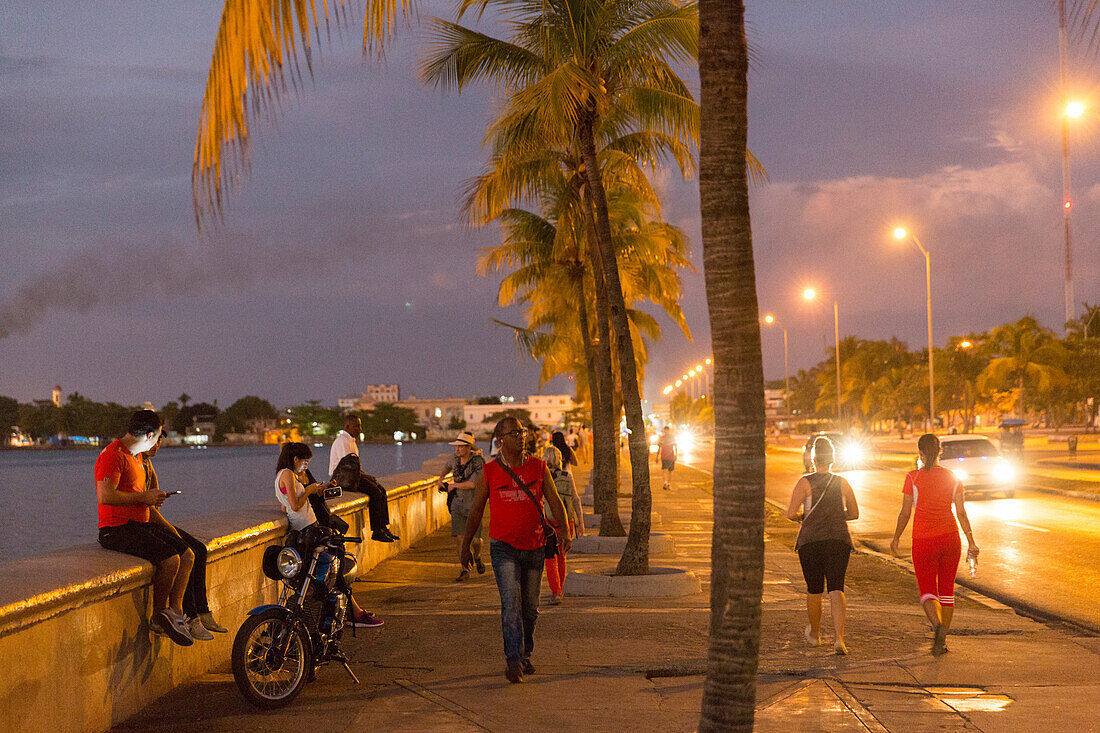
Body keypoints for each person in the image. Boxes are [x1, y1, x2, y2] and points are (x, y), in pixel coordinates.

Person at [461, 417, 571, 683]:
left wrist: (565, 530)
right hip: (503, 548)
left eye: (522, 431)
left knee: (530, 609)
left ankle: (525, 654)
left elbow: (555, 501)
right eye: (514, 433)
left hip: (535, 546)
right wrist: (466, 546)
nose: (521, 436)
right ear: (500, 441)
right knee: (511, 604)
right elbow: (476, 512)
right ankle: (513, 660)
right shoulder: (489, 472)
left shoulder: (539, 467)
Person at [95, 409, 194, 646]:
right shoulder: (113, 455)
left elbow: (139, 493)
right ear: (149, 434)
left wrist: (151, 497)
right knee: (171, 560)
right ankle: (160, 615)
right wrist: (143, 498)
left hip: (139, 523)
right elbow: (105, 496)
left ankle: (175, 611)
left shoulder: (137, 456)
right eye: (157, 436)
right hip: (116, 528)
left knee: (187, 554)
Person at [890, 433, 980, 656]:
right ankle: (943, 641)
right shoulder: (953, 478)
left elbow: (904, 512)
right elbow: (960, 512)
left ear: (920, 453)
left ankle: (937, 626)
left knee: (928, 592)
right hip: (950, 539)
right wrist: (971, 541)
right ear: (940, 451)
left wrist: (896, 537)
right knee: (947, 592)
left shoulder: (912, 478)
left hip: (923, 542)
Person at [277, 442, 384, 628]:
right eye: (305, 461)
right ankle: (354, 613)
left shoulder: (289, 475)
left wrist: (318, 489)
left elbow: (285, 505)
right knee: (331, 572)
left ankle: (348, 613)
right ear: (295, 459)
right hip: (306, 531)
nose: (306, 466)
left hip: (311, 527)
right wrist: (309, 490)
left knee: (329, 574)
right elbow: (294, 505)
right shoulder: (287, 474)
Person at [141, 433, 227, 641]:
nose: (157, 446)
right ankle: (189, 617)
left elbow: (153, 503)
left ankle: (202, 612)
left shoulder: (148, 465)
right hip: (145, 525)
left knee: (199, 549)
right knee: (185, 553)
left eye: (159, 442)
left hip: (153, 519)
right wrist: (170, 528)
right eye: (153, 441)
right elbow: (147, 510)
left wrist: (159, 499)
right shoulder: (136, 465)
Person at [784, 436, 859, 655]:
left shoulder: (804, 482)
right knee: (837, 587)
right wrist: (836, 515)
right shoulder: (842, 483)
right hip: (838, 541)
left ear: (814, 459)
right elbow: (854, 513)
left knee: (814, 589)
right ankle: (839, 638)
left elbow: (790, 513)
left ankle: (815, 635)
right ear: (832, 459)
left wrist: (804, 518)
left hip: (811, 542)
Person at [329, 414, 399, 542]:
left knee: (381, 490)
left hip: (351, 476)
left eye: (360, 426)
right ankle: (376, 530)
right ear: (347, 426)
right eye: (356, 426)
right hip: (343, 479)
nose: (359, 429)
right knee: (375, 492)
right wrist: (366, 476)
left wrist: (367, 476)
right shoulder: (342, 442)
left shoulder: (351, 441)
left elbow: (354, 466)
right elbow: (348, 467)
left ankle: (383, 527)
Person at [434, 431, 486, 581]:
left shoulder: (478, 462)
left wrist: (453, 486)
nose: (457, 450)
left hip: (473, 504)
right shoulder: (454, 459)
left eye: (461, 447)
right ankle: (464, 569)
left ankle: (477, 556)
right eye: (456, 447)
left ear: (469, 448)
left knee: (476, 540)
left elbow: (473, 484)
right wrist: (440, 479)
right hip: (457, 503)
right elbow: (446, 468)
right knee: (459, 538)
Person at [541, 445, 584, 605]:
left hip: (548, 521)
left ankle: (556, 591)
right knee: (562, 556)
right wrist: (580, 522)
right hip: (567, 521)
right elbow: (575, 499)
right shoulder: (567, 476)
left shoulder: (543, 477)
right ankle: (560, 588)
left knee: (550, 557)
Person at [656, 426, 677, 490]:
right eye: (665, 430)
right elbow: (659, 448)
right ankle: (665, 483)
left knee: (670, 471)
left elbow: (675, 447)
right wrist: (657, 457)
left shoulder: (671, 438)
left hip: (671, 456)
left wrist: (676, 455)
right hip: (664, 456)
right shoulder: (662, 438)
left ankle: (668, 484)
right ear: (664, 431)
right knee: (665, 470)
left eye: (667, 430)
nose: (666, 431)